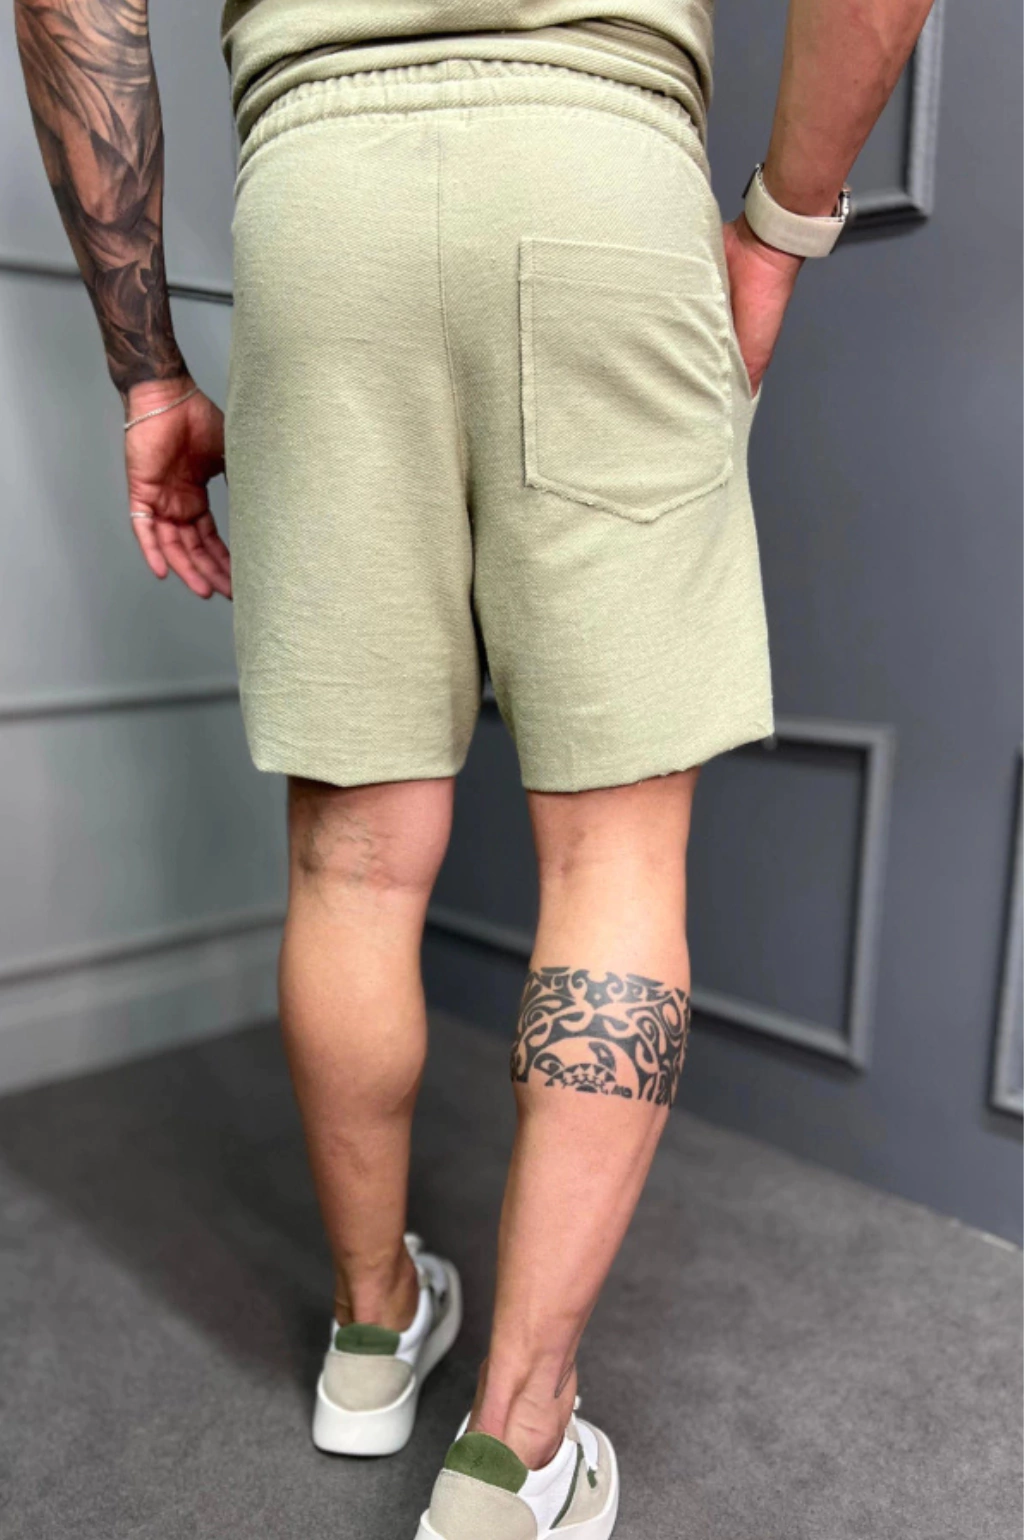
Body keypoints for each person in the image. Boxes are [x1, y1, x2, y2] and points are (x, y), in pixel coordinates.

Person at [15, 2, 936, 1535]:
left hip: (323, 205)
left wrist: (150, 372)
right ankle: (514, 1449)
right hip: (602, 172)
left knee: (352, 860)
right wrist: (779, 231)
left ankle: (371, 1335)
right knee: (613, 855)